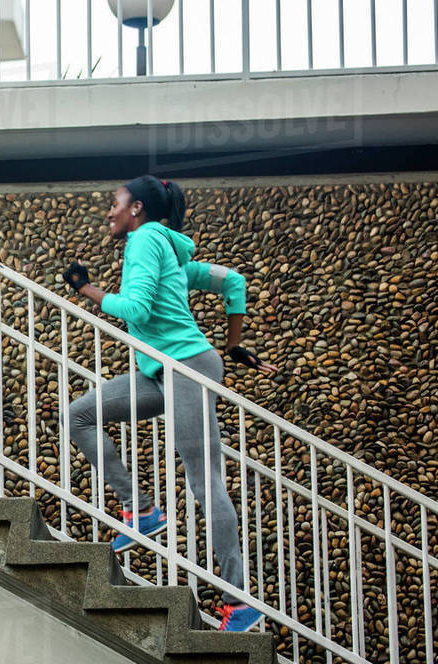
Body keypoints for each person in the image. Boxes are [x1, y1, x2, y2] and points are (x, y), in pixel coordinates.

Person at [60, 175, 276, 633]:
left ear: (136, 207)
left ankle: (240, 601)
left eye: (115, 203)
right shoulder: (170, 252)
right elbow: (231, 280)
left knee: (205, 482)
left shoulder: (144, 241)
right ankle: (140, 510)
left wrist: (86, 289)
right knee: (79, 414)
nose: (110, 212)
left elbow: (135, 310)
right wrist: (233, 344)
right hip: (164, 370)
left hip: (186, 368)